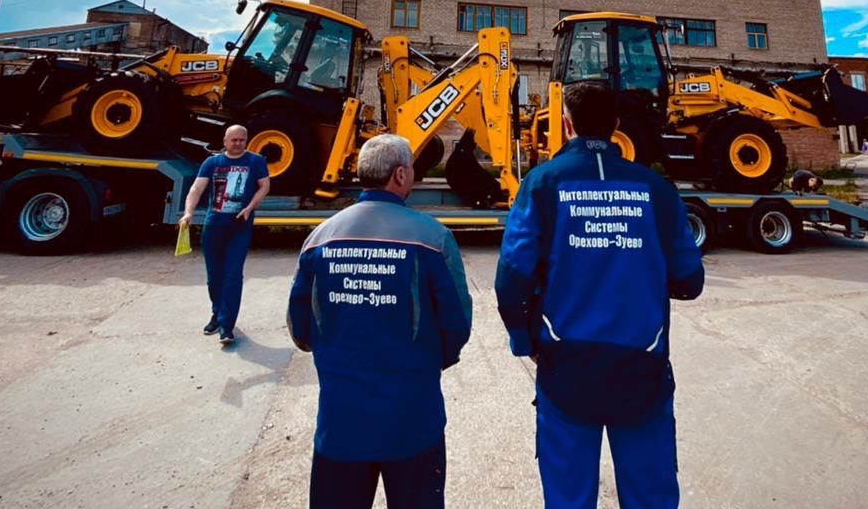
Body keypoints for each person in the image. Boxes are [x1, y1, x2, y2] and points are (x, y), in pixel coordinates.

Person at [495, 81, 704, 509]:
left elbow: (511, 276)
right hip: (642, 367)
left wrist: (524, 338)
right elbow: (690, 280)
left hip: (565, 367)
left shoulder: (542, 183)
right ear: (615, 125)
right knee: (651, 496)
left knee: (569, 496)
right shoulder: (657, 190)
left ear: (567, 123)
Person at [288, 134, 472, 509]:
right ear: (402, 175)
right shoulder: (432, 237)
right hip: (412, 420)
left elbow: (300, 327)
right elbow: (457, 325)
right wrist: (428, 360)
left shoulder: (320, 238)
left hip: (340, 423)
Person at [179, 124, 271, 346]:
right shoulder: (212, 163)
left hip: (240, 227)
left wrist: (250, 207)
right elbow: (196, 189)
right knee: (214, 277)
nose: (238, 144)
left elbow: (264, 186)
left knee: (232, 275)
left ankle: (227, 326)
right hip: (214, 227)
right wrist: (188, 213)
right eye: (234, 140)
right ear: (225, 140)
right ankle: (216, 314)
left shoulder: (256, 161)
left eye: (242, 139)